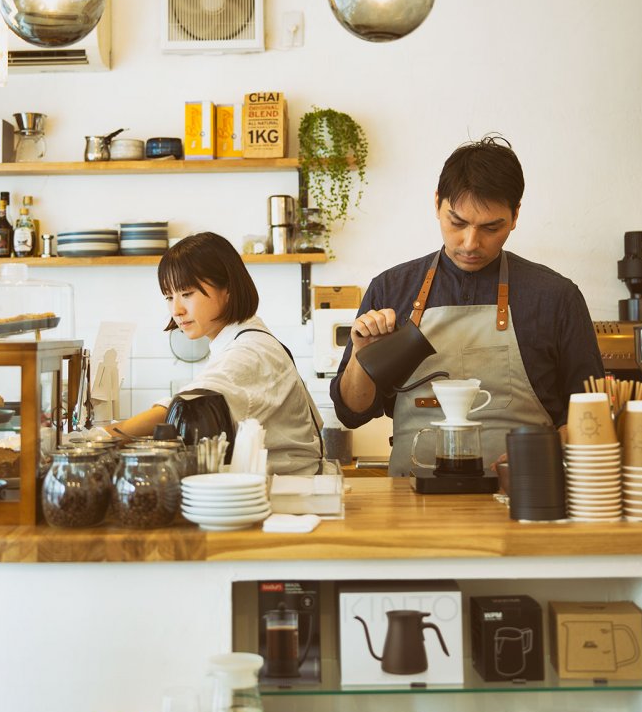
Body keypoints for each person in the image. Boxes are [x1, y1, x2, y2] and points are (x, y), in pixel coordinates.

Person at [330, 135, 604, 476]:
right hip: (410, 501)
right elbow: (351, 413)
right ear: (436, 204)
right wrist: (361, 354)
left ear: (515, 215)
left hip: (521, 498)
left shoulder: (555, 297)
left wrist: (541, 452)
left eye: (491, 227)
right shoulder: (390, 288)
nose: (471, 243)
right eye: (457, 223)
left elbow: (592, 418)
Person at [108, 231, 322, 475]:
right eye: (169, 296)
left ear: (227, 289)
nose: (176, 309)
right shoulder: (240, 338)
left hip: (292, 493)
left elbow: (189, 404)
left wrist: (107, 436)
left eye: (187, 294)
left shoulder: (250, 350)